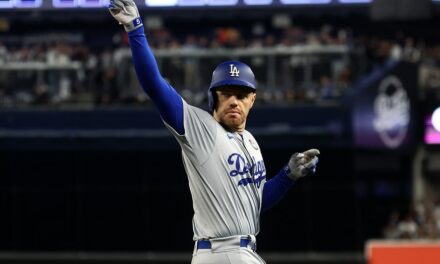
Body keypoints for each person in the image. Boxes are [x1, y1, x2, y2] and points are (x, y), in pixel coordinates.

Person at [109, 1, 320, 263]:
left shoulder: (251, 142)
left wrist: (288, 176)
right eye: (226, 93)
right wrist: (135, 29)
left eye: (241, 95)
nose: (234, 100)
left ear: (252, 100)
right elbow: (154, 86)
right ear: (213, 99)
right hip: (221, 252)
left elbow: (253, 204)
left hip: (241, 251)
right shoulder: (202, 129)